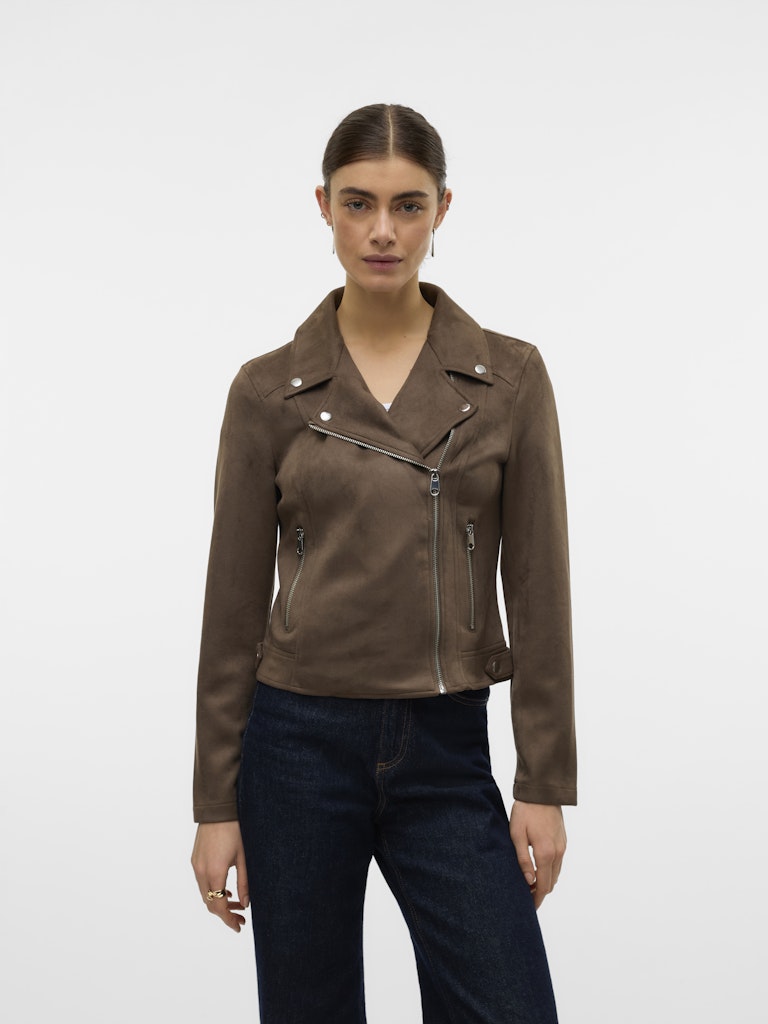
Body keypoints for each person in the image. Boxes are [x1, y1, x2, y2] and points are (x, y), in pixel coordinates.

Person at [191, 103, 576, 1024]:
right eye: (359, 203)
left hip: (445, 745)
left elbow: (539, 591)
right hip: (295, 747)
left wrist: (543, 784)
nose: (382, 231)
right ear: (323, 206)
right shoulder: (267, 390)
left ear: (443, 210)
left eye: (408, 206)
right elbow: (231, 609)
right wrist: (215, 803)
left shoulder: (510, 380)